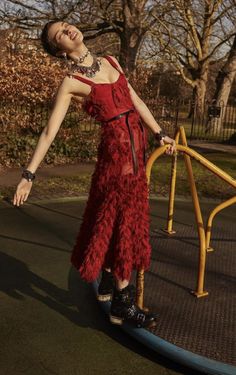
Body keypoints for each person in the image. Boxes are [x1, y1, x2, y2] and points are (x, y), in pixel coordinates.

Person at [13, 20, 176, 328]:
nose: (68, 29)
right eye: (59, 33)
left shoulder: (111, 61)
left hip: (136, 155)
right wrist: (29, 175)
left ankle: (108, 281)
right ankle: (122, 304)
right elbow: (50, 131)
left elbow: (135, 99)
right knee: (124, 225)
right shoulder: (71, 82)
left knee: (118, 221)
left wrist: (160, 133)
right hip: (116, 163)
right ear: (58, 49)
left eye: (66, 24)